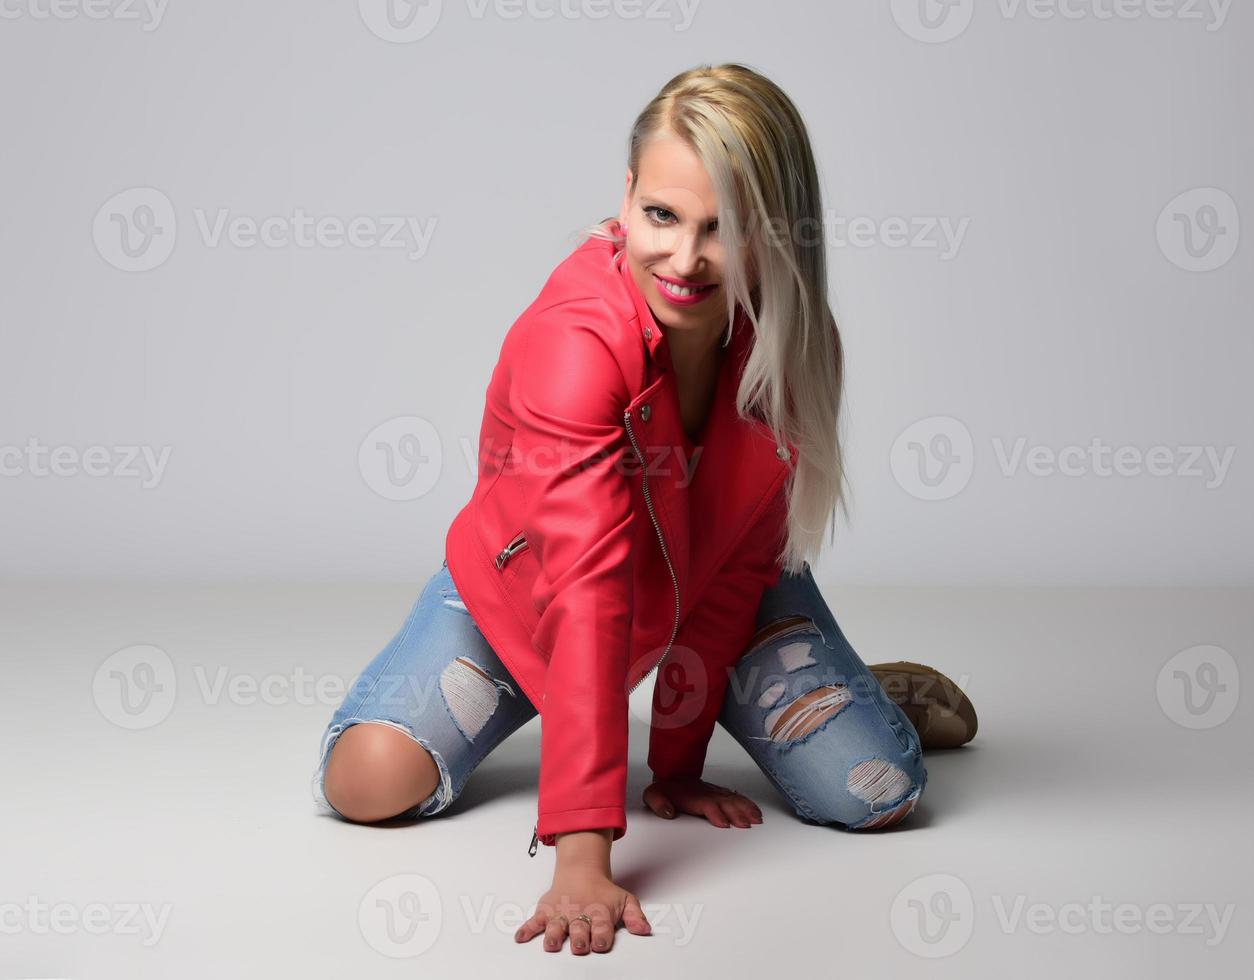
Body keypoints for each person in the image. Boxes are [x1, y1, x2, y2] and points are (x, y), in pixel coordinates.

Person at [310, 62, 977, 956]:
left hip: (705, 596)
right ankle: (805, 688)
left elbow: (738, 561)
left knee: (874, 790)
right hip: (538, 596)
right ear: (626, 195)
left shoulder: (786, 346)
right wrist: (583, 852)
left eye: (725, 230)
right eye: (661, 215)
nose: (686, 259)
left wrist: (676, 765)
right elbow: (587, 589)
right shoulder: (572, 345)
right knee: (365, 784)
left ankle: (872, 691)